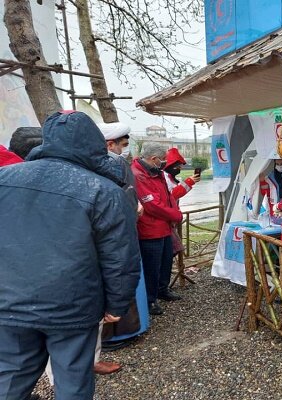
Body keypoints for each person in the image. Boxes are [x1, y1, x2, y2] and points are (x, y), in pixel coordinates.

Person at [0, 111, 140, 400]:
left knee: (10, 379)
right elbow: (120, 256)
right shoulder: (103, 190)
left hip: (10, 302)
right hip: (72, 307)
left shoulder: (4, 178)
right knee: (73, 381)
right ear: (93, 143)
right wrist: (118, 302)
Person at [96, 122, 150, 370]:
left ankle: (130, 327)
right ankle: (115, 334)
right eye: (123, 145)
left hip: (126, 231)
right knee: (118, 280)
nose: (126, 150)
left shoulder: (116, 163)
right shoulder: (109, 165)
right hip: (115, 236)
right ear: (110, 144)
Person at [132, 143, 183, 316]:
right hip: (150, 229)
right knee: (151, 266)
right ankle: (150, 299)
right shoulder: (138, 175)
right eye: (162, 160)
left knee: (166, 261)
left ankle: (163, 289)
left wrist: (173, 212)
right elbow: (152, 204)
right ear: (154, 159)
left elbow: (167, 196)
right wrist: (175, 215)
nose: (164, 164)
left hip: (164, 226)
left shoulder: (156, 172)